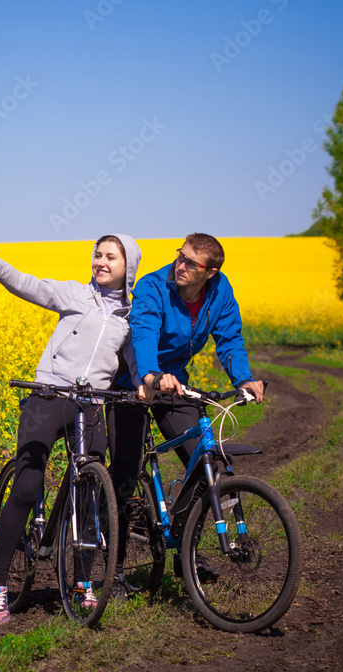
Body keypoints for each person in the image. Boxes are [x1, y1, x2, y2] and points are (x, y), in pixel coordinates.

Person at [0, 224, 141, 626]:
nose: (101, 262)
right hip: (47, 398)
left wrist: (152, 383)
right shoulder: (75, 293)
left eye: (111, 256)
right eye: (97, 254)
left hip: (90, 405)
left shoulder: (131, 318)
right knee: (26, 486)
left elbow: (138, 364)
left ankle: (82, 583)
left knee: (91, 496)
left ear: (129, 266)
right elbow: (25, 284)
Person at [108, 232, 265, 596]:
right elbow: (144, 332)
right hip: (132, 382)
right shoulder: (152, 286)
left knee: (203, 459)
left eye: (190, 263)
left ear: (209, 272)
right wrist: (149, 374)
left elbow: (229, 339)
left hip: (174, 384)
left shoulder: (220, 291)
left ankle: (184, 551)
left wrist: (244, 379)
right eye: (180, 257)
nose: (180, 265)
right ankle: (113, 572)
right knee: (125, 476)